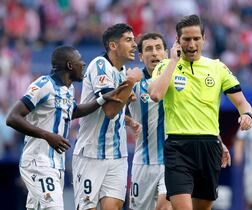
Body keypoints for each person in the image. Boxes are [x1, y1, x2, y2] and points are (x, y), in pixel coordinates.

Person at [148, 14, 252, 210]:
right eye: (186, 39)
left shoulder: (217, 67)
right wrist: (172, 61)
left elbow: (242, 102)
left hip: (209, 147)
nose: (192, 43)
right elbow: (155, 94)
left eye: (196, 38)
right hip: (178, 146)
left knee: (203, 207)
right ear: (178, 41)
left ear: (204, 39)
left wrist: (246, 115)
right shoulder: (165, 66)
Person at [6, 45, 129, 210]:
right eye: (79, 60)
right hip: (38, 162)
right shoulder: (43, 85)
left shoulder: (68, 89)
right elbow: (13, 117)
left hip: (56, 164)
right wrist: (47, 135)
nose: (83, 63)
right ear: (70, 65)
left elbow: (74, 111)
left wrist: (101, 100)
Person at [72, 23, 142, 210]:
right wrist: (131, 82)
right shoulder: (100, 65)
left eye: (134, 40)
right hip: (91, 154)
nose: (134, 45)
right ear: (113, 45)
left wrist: (128, 120)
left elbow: (116, 110)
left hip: (117, 155)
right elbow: (110, 111)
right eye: (128, 40)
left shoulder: (120, 72)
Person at [128, 32, 172, 210]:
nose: (154, 53)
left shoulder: (179, 80)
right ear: (140, 56)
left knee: (165, 206)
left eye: (158, 48)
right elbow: (111, 111)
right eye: (148, 49)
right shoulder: (134, 82)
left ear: (166, 53)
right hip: (143, 163)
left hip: (171, 161)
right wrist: (129, 121)